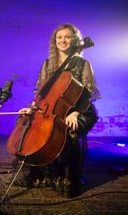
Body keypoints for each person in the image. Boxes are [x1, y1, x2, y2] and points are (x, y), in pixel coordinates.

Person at [16, 23, 100, 197]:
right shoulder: (48, 64)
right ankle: (38, 174)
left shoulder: (83, 64)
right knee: (26, 122)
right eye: (59, 37)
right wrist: (31, 108)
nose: (63, 40)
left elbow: (87, 95)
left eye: (67, 37)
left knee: (68, 129)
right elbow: (41, 94)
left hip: (79, 109)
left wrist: (75, 114)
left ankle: (66, 179)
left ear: (75, 40)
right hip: (51, 108)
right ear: (54, 41)